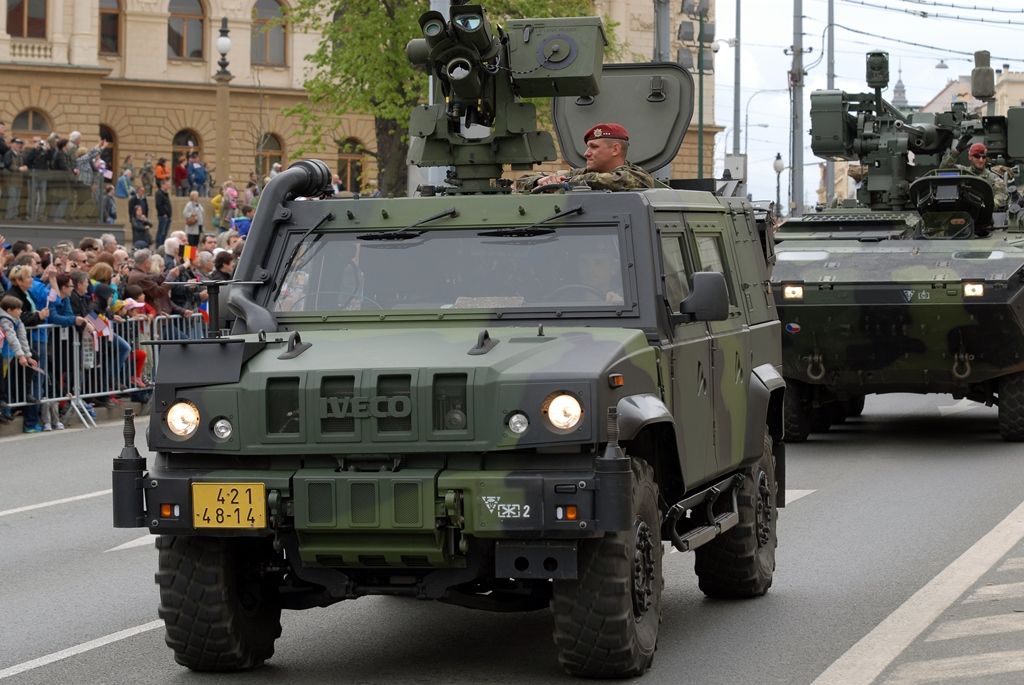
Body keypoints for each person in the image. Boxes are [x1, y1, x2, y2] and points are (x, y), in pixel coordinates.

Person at [516, 123, 655, 192]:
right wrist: (540, 181)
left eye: (594, 147)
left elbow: (611, 180)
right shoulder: (581, 174)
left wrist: (564, 182)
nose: (586, 153)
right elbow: (521, 182)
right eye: (588, 147)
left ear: (615, 149)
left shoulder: (638, 177)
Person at [942, 142, 1008, 209]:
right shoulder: (963, 172)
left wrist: (988, 206)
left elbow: (1002, 194)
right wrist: (955, 153)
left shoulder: (992, 178)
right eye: (977, 156)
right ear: (970, 157)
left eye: (983, 157)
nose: (981, 160)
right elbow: (944, 169)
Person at [155, 179, 172, 248]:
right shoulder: (159, 193)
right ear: (162, 185)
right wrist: (163, 213)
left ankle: (162, 245)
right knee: (161, 232)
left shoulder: (165, 193)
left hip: (168, 216)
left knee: (165, 232)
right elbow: (158, 205)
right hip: (163, 216)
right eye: (167, 184)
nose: (168, 186)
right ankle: (159, 246)